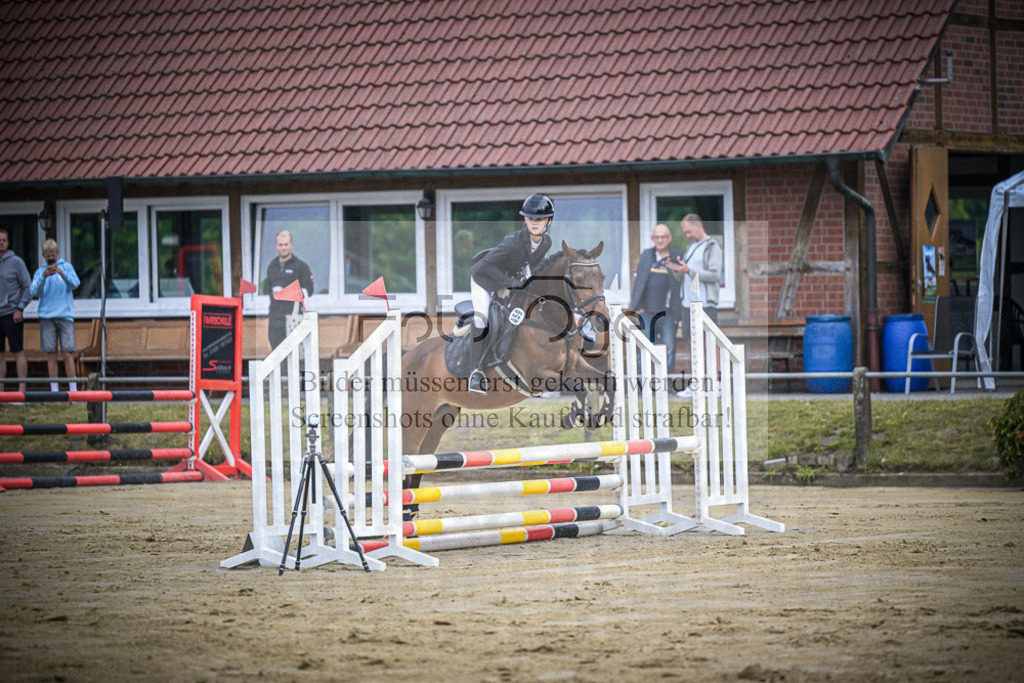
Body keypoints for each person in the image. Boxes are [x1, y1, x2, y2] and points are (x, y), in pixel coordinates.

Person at [466, 193, 554, 394]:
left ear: (548, 222)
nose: (535, 223)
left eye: (539, 219)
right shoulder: (513, 242)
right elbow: (482, 268)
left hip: (509, 283)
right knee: (482, 320)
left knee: (520, 315)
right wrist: (514, 283)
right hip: (484, 280)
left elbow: (536, 269)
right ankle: (475, 372)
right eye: (531, 218)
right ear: (525, 219)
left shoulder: (546, 243)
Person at [630, 223, 684, 375]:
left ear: (669, 238)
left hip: (668, 313)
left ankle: (666, 386)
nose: (660, 240)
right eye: (657, 237)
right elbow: (639, 281)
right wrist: (637, 306)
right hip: (646, 312)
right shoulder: (647, 254)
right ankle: (644, 387)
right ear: (653, 239)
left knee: (669, 349)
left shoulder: (677, 255)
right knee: (645, 349)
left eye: (663, 237)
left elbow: (681, 281)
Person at [30, 239, 81, 391]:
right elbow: (33, 292)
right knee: (51, 355)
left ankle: (73, 390)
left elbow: (75, 284)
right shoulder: (40, 272)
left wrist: (62, 273)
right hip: (47, 317)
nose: (50, 259)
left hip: (65, 316)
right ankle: (54, 391)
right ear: (43, 256)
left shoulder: (67, 267)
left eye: (53, 255)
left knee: (67, 353)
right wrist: (43, 277)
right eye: (48, 256)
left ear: (57, 254)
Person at [265, 230, 314, 349]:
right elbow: (268, 289)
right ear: (276, 246)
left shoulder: (301, 266)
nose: (283, 248)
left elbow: (309, 289)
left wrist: (288, 292)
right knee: (276, 355)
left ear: (291, 245)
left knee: (295, 356)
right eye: (280, 245)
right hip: (275, 318)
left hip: (293, 318)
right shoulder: (271, 267)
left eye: (286, 244)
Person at [675, 213, 723, 331]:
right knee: (691, 343)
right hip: (687, 304)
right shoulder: (690, 247)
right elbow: (683, 275)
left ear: (699, 226)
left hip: (705, 304)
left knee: (711, 342)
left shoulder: (712, 246)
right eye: (685, 233)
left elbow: (714, 275)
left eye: (689, 232)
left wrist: (689, 271)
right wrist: (677, 269)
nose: (687, 235)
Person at [0, 229, 32, 393]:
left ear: (8, 243)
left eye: (4, 240)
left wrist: (20, 308)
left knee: (17, 352)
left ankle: (21, 391)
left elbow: (28, 287)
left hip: (13, 314)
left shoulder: (17, 262)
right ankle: (1, 392)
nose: (1, 243)